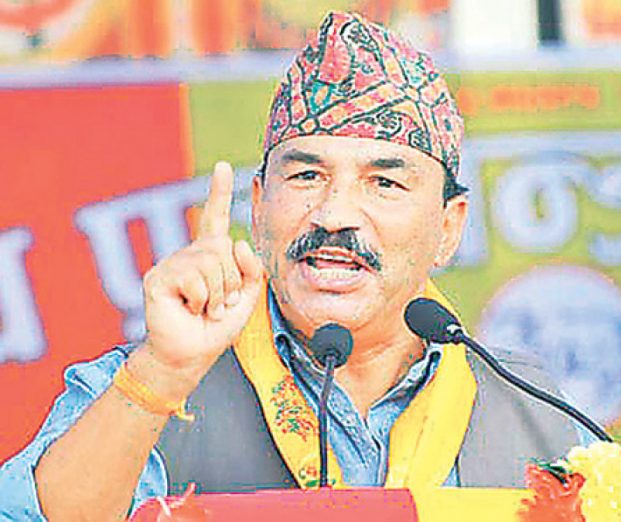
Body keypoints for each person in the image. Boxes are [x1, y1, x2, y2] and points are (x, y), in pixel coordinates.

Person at [0, 11, 581, 521]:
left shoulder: (531, 407)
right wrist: (163, 372)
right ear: (257, 208)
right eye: (306, 176)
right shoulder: (149, 380)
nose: (333, 215)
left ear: (449, 227)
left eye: (383, 183)